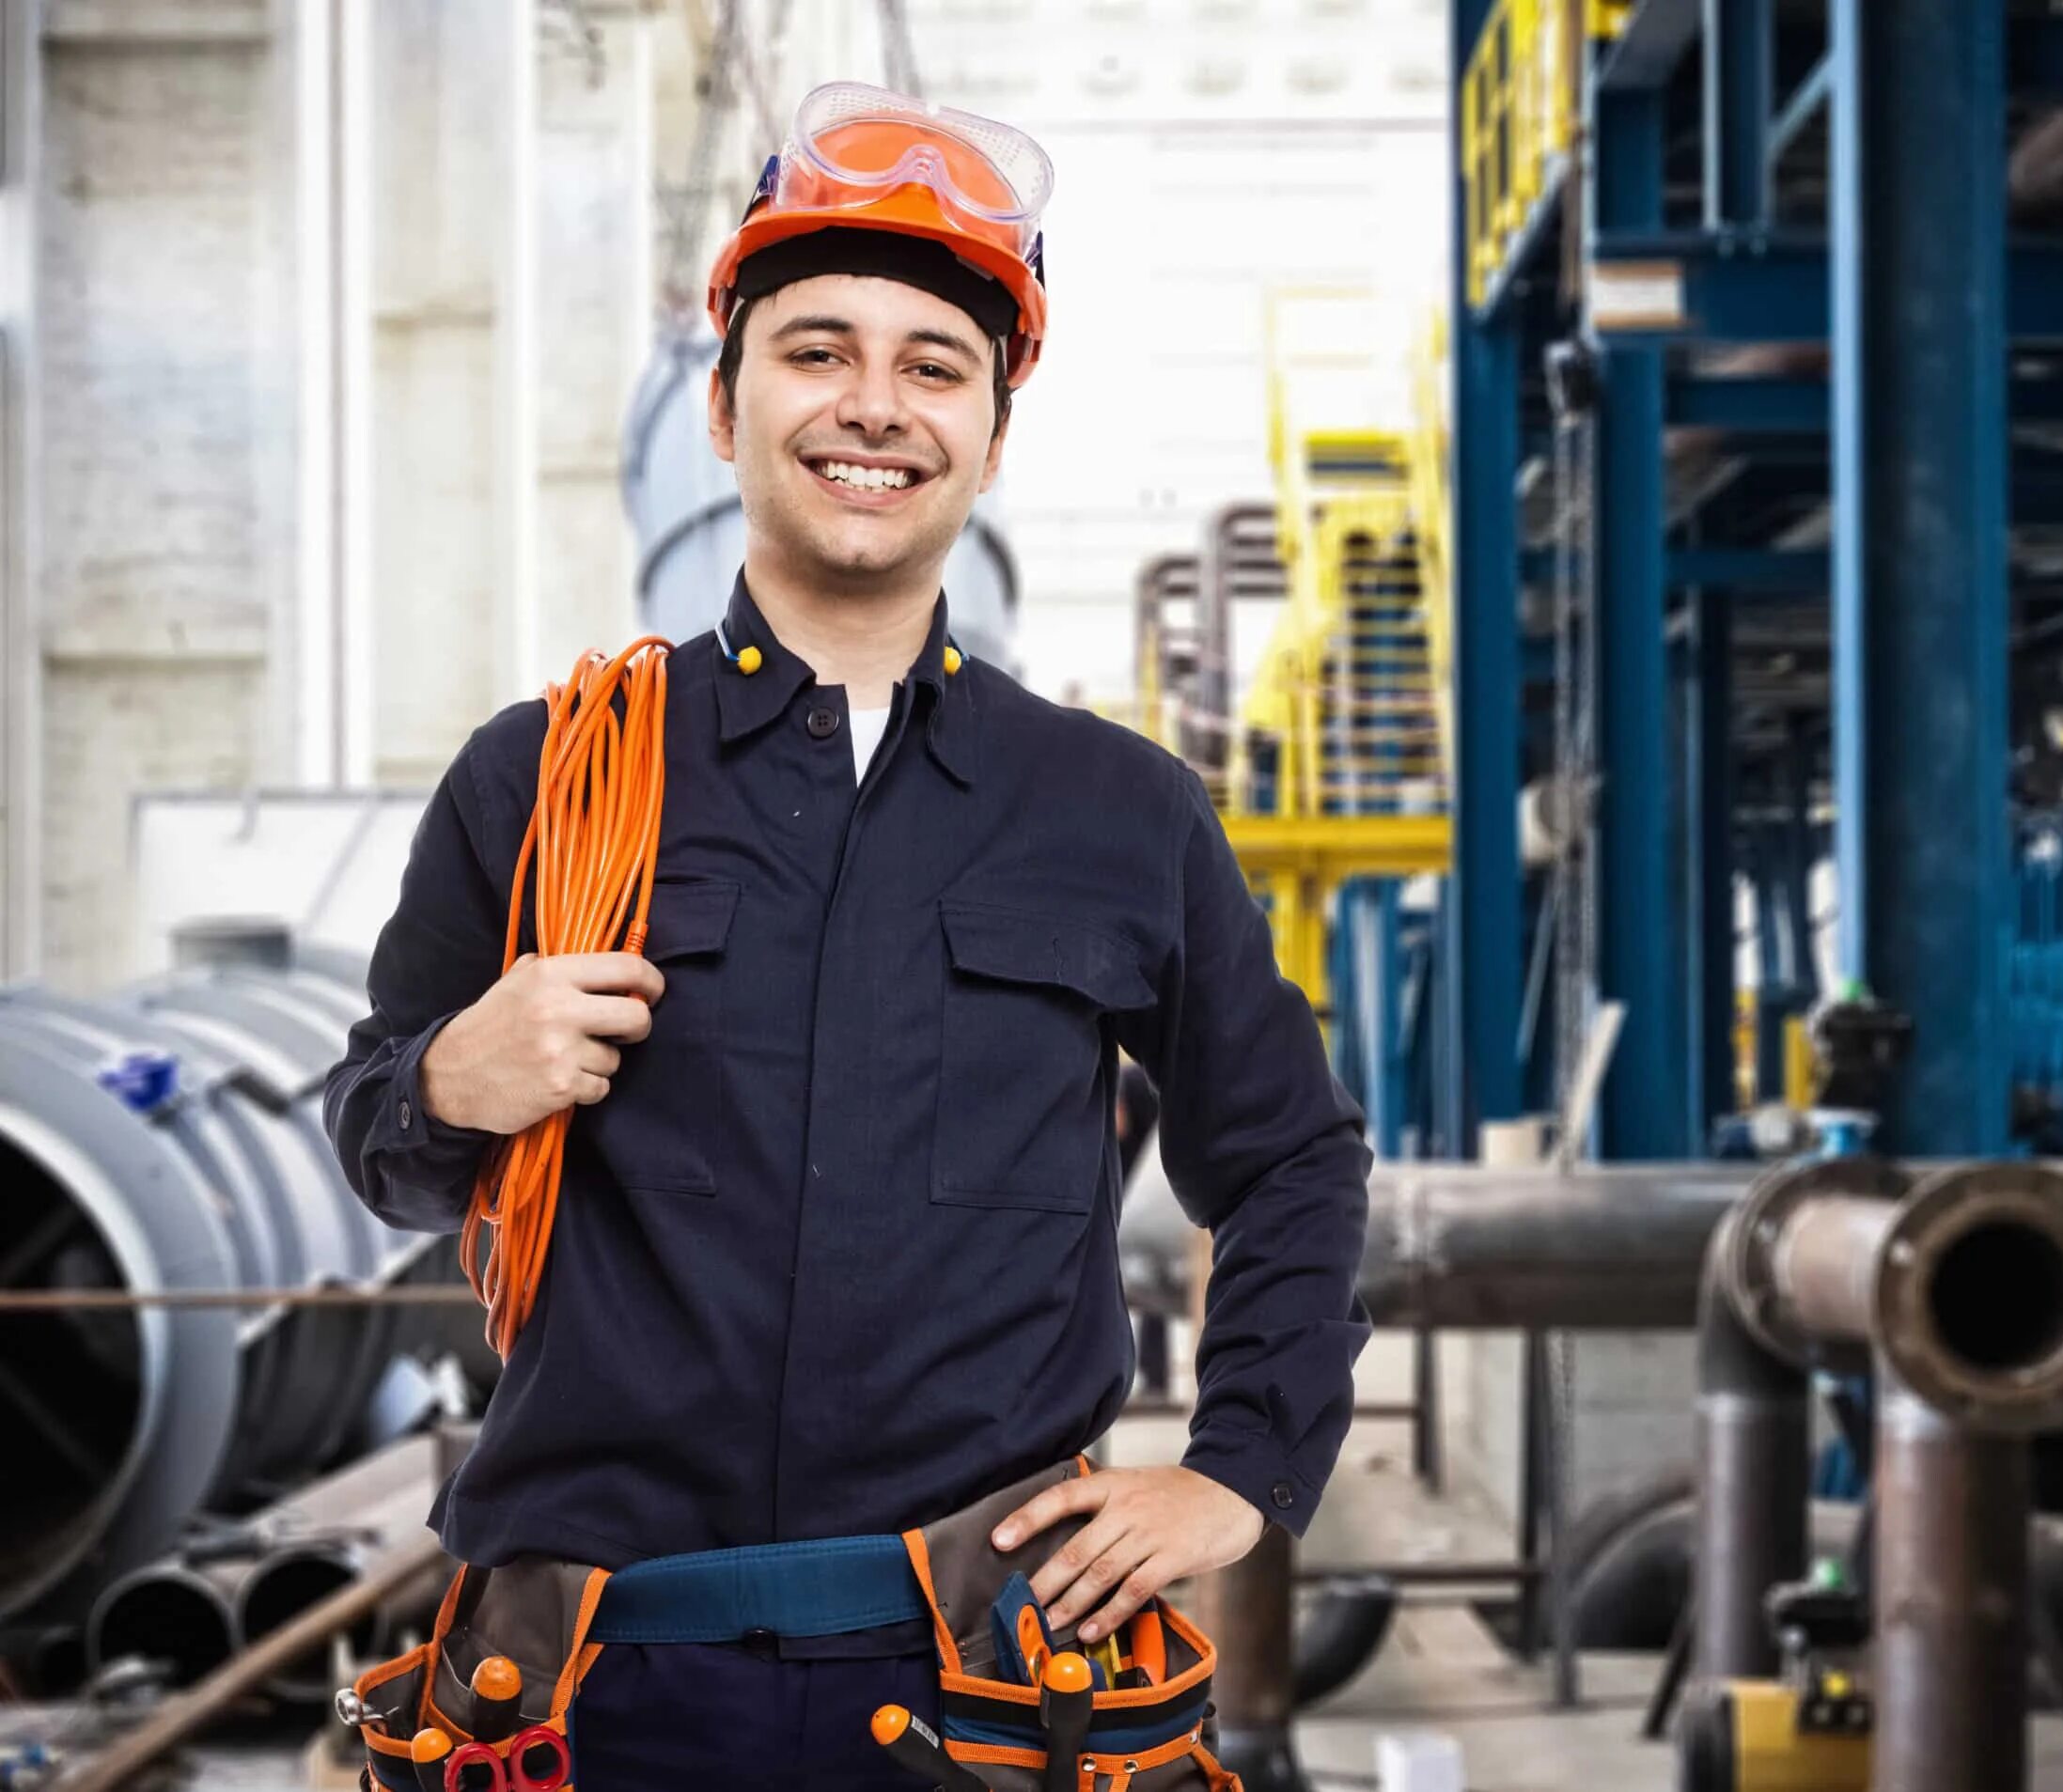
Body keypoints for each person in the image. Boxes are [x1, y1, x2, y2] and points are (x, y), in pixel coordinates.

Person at [323, 81, 1371, 1786]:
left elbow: (1293, 1161)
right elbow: (382, 1140)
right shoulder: (542, 777)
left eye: (932, 366)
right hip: (600, 1690)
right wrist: (449, 1078)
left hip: (987, 1694)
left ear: (991, 435)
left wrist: (1246, 1471)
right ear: (728, 404)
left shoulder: (1121, 814)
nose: (872, 406)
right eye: (816, 352)